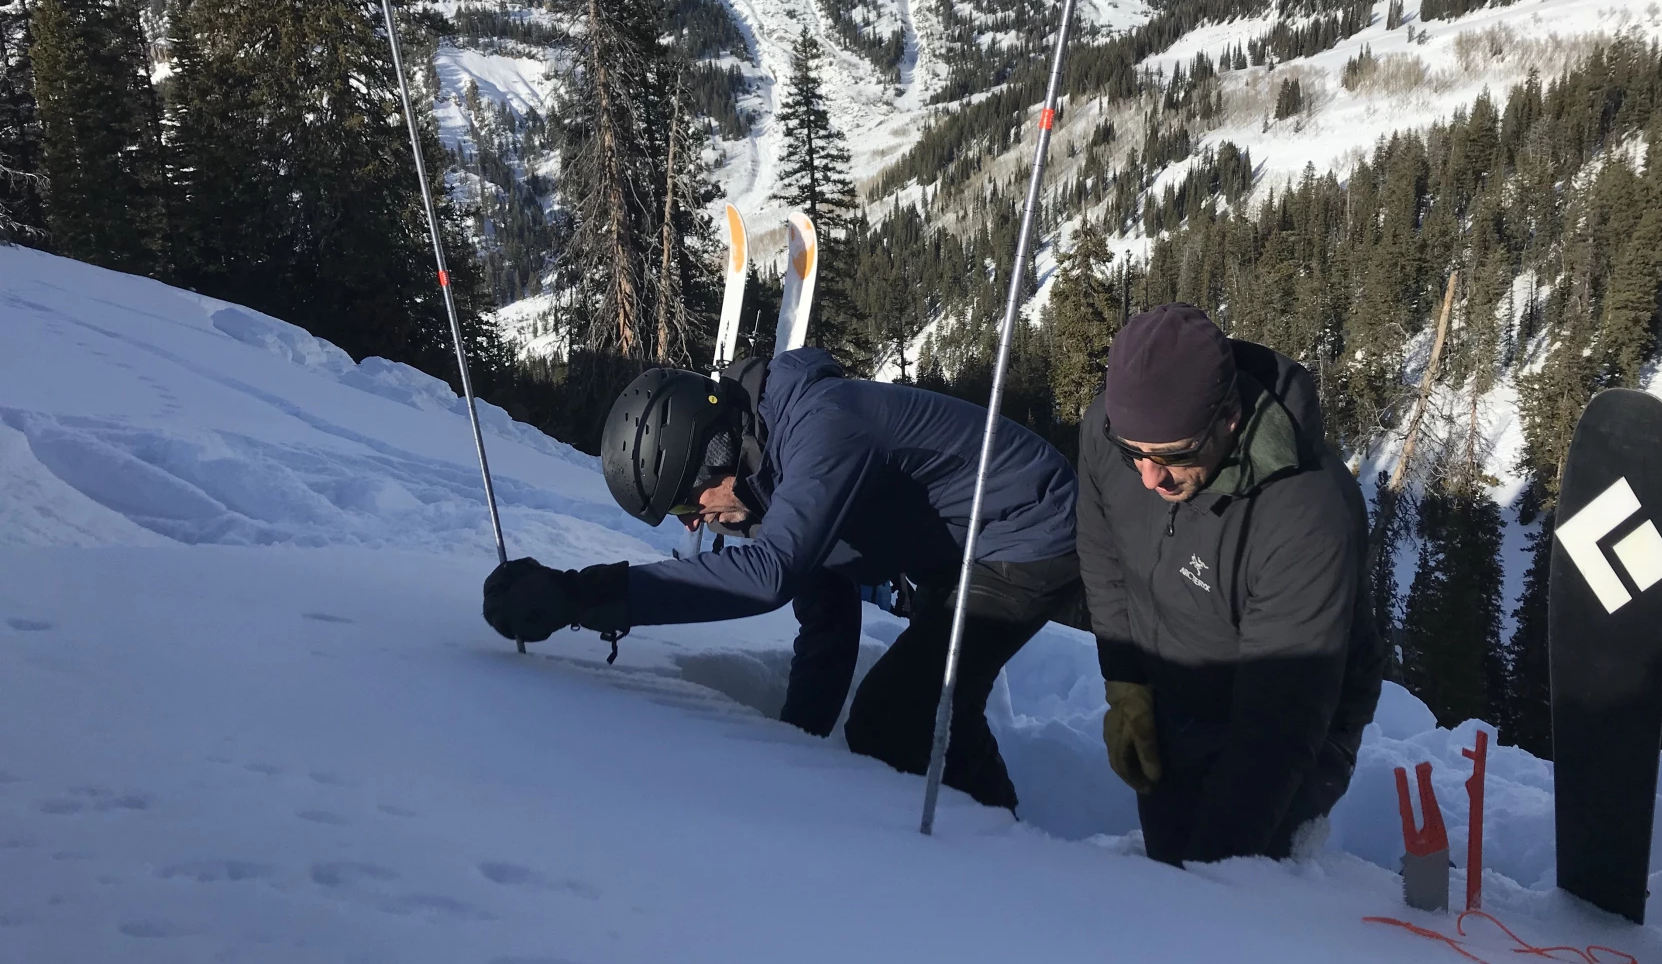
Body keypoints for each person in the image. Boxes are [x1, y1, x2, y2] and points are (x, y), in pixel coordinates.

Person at [482, 348, 1081, 815]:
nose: (694, 522)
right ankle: (980, 831)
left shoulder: (822, 433)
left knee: (893, 716)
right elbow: (829, 621)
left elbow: (770, 576)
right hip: (955, 549)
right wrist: (792, 755)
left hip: (1026, 533)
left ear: (716, 450)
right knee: (932, 699)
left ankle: (1002, 857)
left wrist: (583, 594)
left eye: (689, 501)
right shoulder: (765, 477)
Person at [1077, 303, 1383, 866]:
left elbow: (1279, 725)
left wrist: (1213, 875)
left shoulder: (1307, 516)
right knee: (1167, 856)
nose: (1148, 478)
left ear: (1229, 419)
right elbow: (1104, 561)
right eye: (1134, 454)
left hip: (1287, 729)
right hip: (1172, 693)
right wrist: (1126, 682)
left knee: (1236, 893)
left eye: (1173, 457)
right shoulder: (1112, 433)